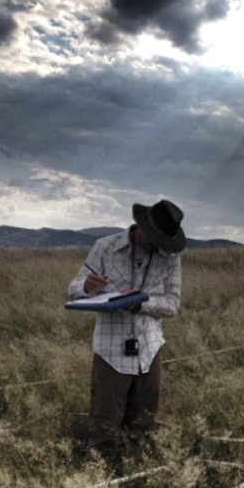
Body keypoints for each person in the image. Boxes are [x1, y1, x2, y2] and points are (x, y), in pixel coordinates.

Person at [68, 200, 185, 470]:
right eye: (154, 239)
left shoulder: (170, 257)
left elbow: (172, 304)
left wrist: (141, 304)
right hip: (110, 352)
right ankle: (101, 481)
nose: (158, 247)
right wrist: (87, 287)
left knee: (144, 425)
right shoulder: (105, 247)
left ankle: (138, 479)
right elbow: (73, 289)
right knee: (104, 426)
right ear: (141, 228)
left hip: (150, 349)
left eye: (163, 242)